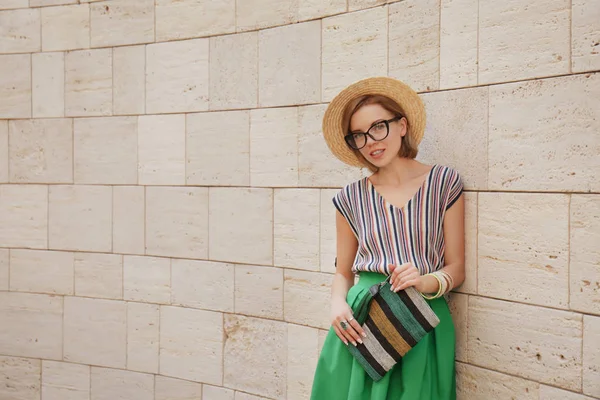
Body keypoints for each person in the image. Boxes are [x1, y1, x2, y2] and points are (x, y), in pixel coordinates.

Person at [311, 77, 465, 400]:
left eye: (379, 126)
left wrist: (424, 282)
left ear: (403, 125)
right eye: (359, 135)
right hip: (362, 326)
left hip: (421, 322)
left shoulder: (443, 183)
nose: (371, 141)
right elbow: (343, 271)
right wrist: (337, 303)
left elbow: (457, 267)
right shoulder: (350, 198)